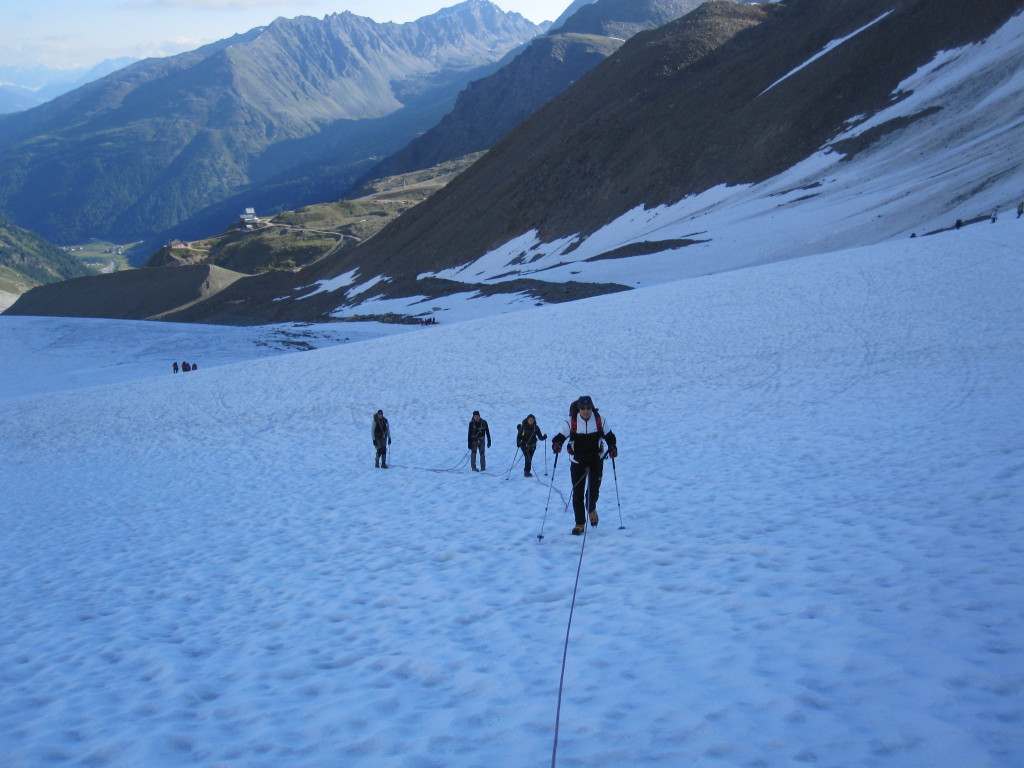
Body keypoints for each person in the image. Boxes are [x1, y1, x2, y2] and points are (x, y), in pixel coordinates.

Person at [551, 395, 617, 535]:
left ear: (592, 407)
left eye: (588, 408)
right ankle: (580, 524)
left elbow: (610, 437)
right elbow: (560, 437)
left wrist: (612, 447)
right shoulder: (571, 422)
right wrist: (557, 444)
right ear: (579, 409)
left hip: (596, 461)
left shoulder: (600, 421)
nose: (585, 411)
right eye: (583, 408)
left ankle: (591, 508)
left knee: (592, 494)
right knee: (578, 494)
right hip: (577, 462)